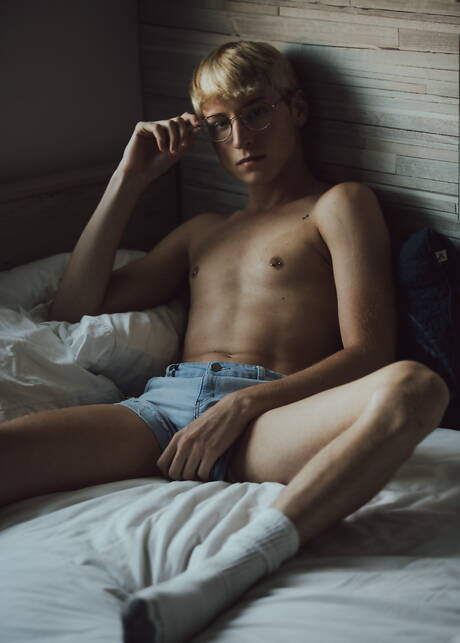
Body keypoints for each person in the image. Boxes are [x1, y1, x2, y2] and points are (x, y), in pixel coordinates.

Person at [1, 40, 449, 590]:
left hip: (271, 416)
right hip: (162, 411)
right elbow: (72, 307)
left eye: (257, 112)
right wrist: (129, 178)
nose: (240, 138)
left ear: (297, 109)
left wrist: (243, 404)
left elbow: (370, 353)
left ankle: (250, 556)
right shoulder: (203, 232)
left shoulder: (338, 204)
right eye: (220, 124)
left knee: (414, 387)